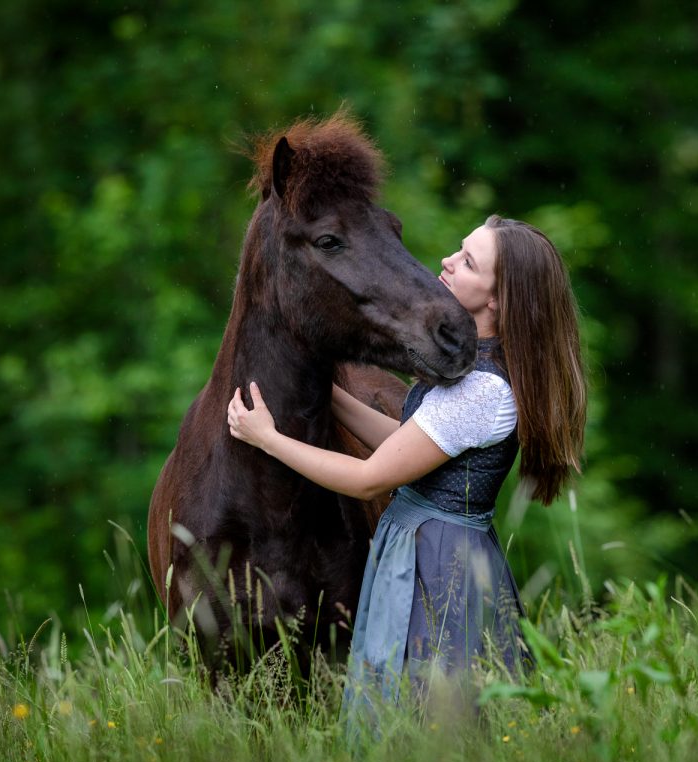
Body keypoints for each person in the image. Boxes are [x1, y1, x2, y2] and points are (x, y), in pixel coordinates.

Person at [227, 214, 587, 725]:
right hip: (421, 546)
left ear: (498, 300)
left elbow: (370, 477)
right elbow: (406, 445)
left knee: (428, 708)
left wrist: (270, 439)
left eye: (467, 262)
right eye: (458, 249)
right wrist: (326, 393)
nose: (447, 261)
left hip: (440, 563)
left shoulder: (484, 392)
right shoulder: (470, 372)